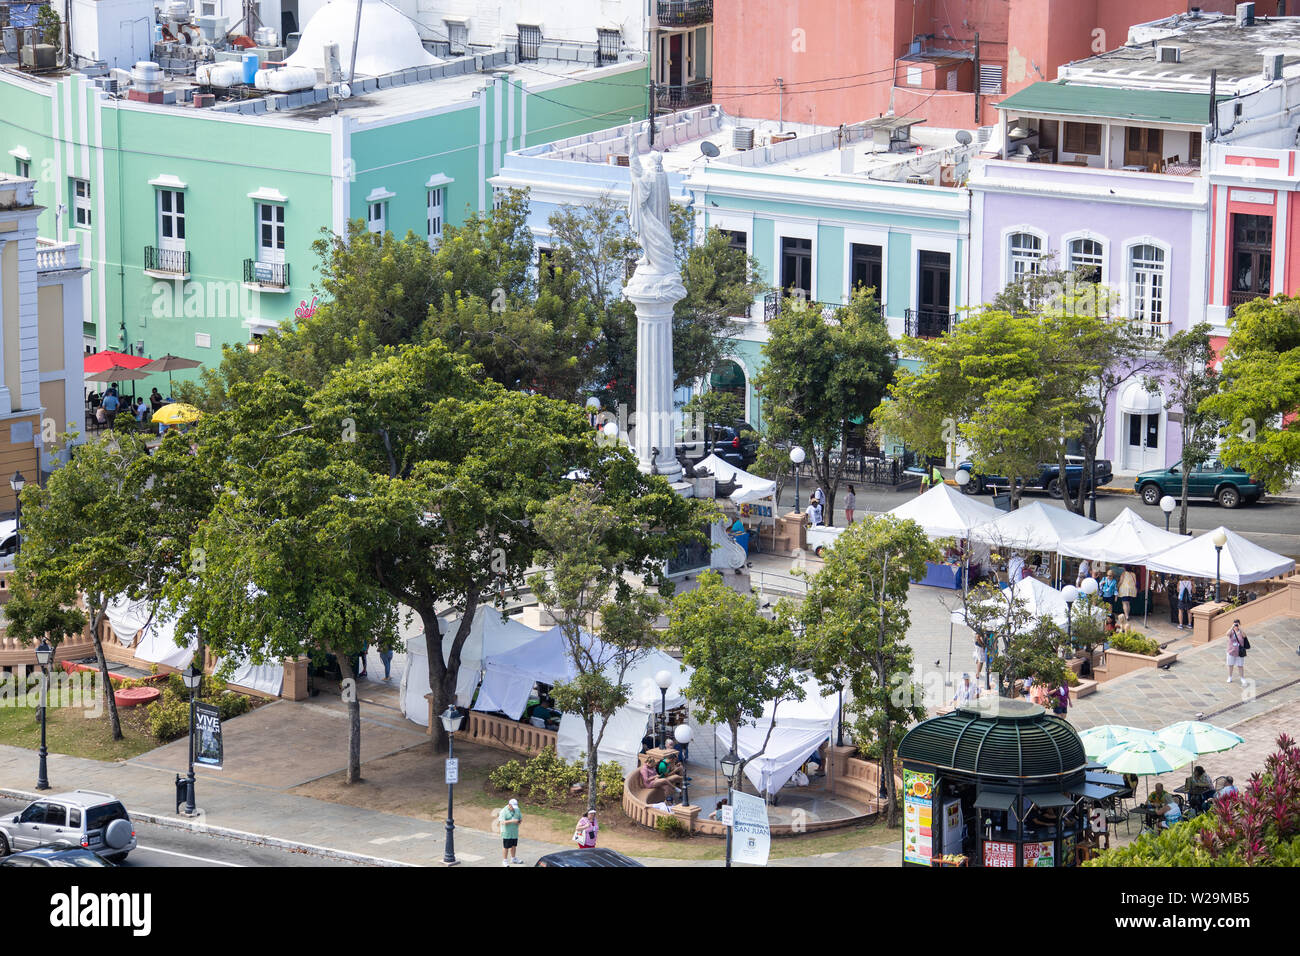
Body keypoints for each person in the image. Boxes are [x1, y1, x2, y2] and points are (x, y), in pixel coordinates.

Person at [499, 798, 523, 866]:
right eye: (513, 807)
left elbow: (520, 818)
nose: (514, 808)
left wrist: (519, 821)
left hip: (514, 832)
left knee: (514, 846)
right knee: (506, 847)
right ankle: (505, 861)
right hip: (507, 832)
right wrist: (512, 821)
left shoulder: (517, 810)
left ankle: (513, 858)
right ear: (509, 805)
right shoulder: (503, 811)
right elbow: (502, 822)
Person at [1226, 618, 1247, 684]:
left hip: (1239, 652)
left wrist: (1240, 628)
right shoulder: (1231, 631)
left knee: (1240, 665)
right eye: (1235, 625)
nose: (1236, 626)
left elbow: (1244, 636)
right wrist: (1232, 627)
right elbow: (1227, 634)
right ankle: (1230, 677)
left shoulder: (1241, 631)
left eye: (1237, 624)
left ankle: (1242, 678)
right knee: (1230, 665)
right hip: (1231, 651)